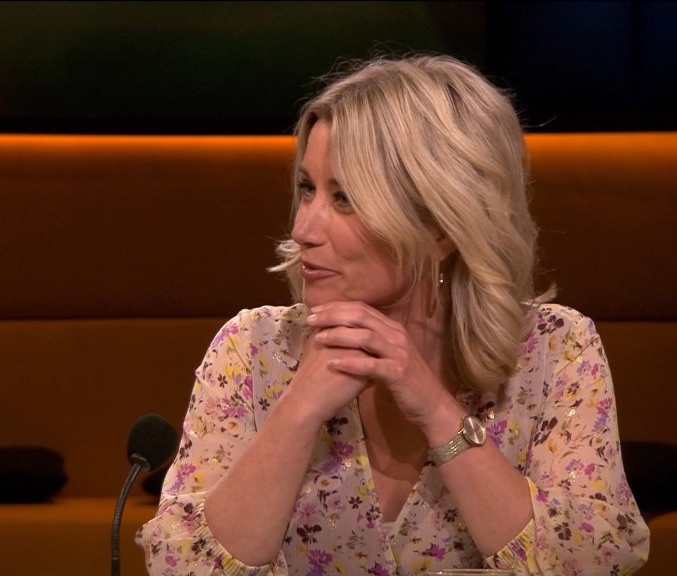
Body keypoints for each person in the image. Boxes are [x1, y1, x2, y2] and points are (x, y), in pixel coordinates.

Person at [138, 54, 649, 576]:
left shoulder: (553, 350)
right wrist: (297, 411)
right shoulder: (252, 348)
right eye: (307, 189)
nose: (303, 229)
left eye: (345, 199)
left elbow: (596, 562)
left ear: (442, 227)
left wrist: (436, 409)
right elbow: (182, 567)